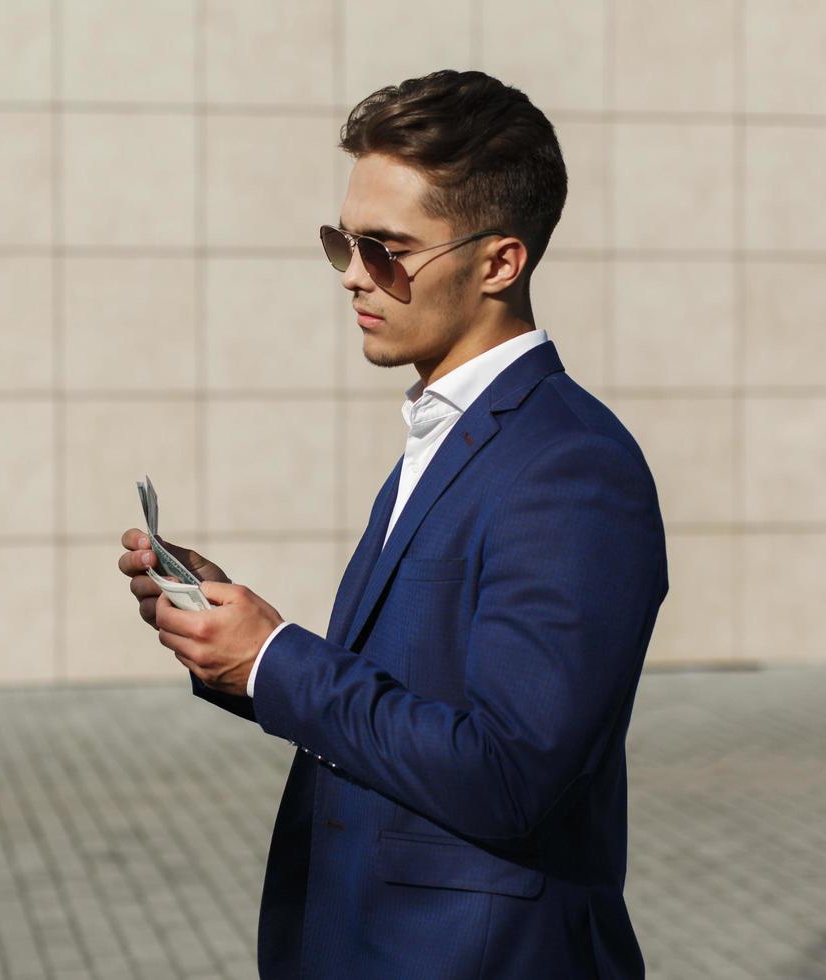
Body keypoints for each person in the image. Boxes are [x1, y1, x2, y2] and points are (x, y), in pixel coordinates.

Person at [117, 69, 667, 979]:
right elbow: (402, 693)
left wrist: (274, 656)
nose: (352, 277)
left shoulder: (572, 469)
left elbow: (510, 774)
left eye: (388, 250)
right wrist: (235, 649)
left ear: (500, 261)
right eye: (343, 241)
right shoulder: (445, 431)